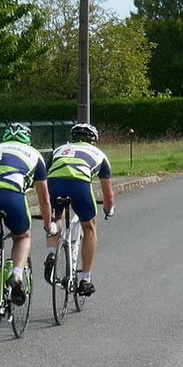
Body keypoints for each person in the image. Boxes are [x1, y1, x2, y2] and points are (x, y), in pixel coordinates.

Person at [0, 123, 55, 314]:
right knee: (23, 236)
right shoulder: (35, 155)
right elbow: (44, 199)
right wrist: (48, 225)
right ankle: (17, 273)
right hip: (11, 194)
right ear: (29, 140)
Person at [44, 123, 114, 297]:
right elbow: (108, 194)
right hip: (79, 185)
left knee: (56, 218)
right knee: (89, 227)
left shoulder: (58, 150)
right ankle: (85, 279)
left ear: (73, 138)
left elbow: (44, 176)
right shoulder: (100, 154)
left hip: (55, 183)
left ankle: (52, 254)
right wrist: (108, 209)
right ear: (94, 141)